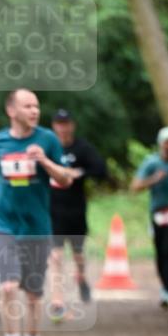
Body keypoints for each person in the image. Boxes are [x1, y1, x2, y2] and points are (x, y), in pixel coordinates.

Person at [0, 89, 72, 336]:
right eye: (27, 106)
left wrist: (44, 161)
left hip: (36, 227)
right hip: (3, 225)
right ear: (11, 111)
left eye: (36, 106)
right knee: (7, 287)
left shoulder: (47, 140)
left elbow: (65, 178)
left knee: (32, 295)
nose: (34, 110)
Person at [48, 109, 107, 319]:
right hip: (52, 210)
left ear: (72, 125)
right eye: (59, 124)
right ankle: (57, 301)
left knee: (78, 254)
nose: (63, 127)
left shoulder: (82, 148)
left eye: (66, 123)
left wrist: (78, 173)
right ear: (54, 126)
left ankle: (81, 277)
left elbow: (101, 170)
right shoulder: (47, 148)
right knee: (55, 256)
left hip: (75, 210)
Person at [131, 125, 168, 308]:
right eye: (166, 143)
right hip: (160, 214)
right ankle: (166, 288)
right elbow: (135, 187)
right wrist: (154, 179)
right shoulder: (152, 163)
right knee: (163, 251)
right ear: (161, 144)